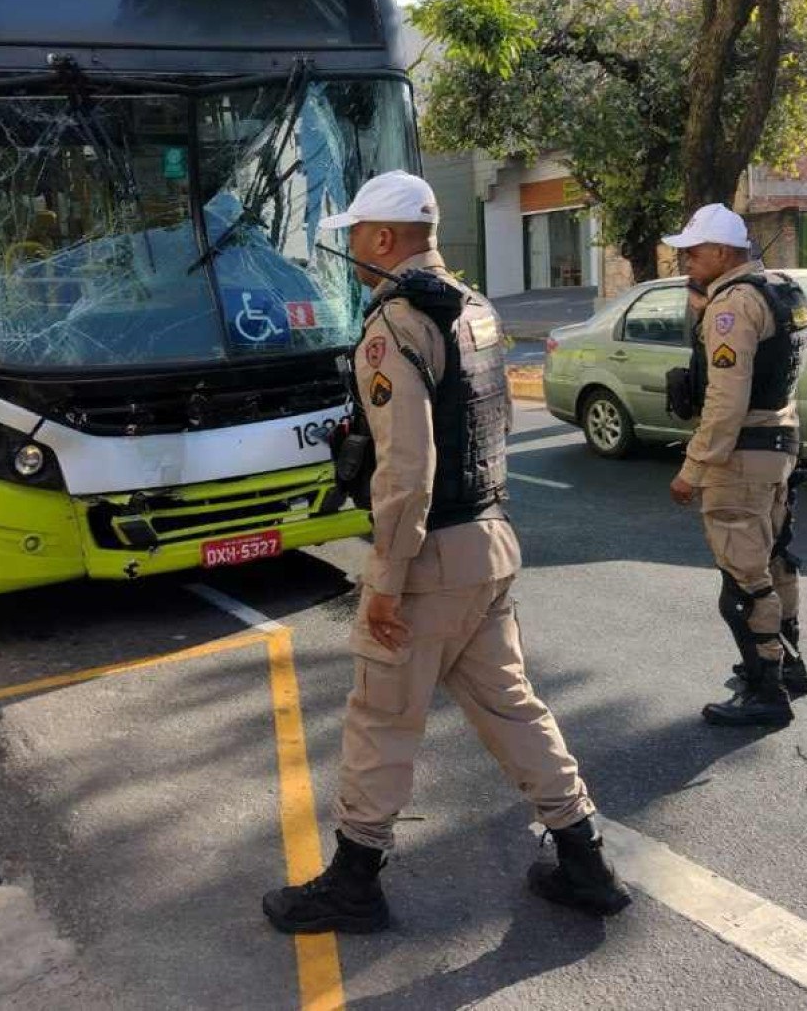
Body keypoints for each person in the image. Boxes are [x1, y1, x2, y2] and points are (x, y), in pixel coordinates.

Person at [261, 171, 631, 935]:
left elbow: (408, 468)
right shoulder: (475, 309)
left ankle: (355, 883)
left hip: (427, 559)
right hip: (489, 545)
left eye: (357, 236)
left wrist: (385, 582)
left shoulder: (394, 325)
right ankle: (584, 858)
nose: (353, 252)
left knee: (379, 721)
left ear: (386, 239)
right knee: (512, 708)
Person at [664, 203, 807, 729]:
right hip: (779, 442)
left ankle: (766, 691)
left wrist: (694, 468)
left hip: (740, 455)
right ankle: (787, 664)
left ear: (723, 253)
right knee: (774, 560)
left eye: (693, 251)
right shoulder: (779, 290)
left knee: (744, 584)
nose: (684, 260)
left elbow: (725, 401)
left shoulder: (732, 307)